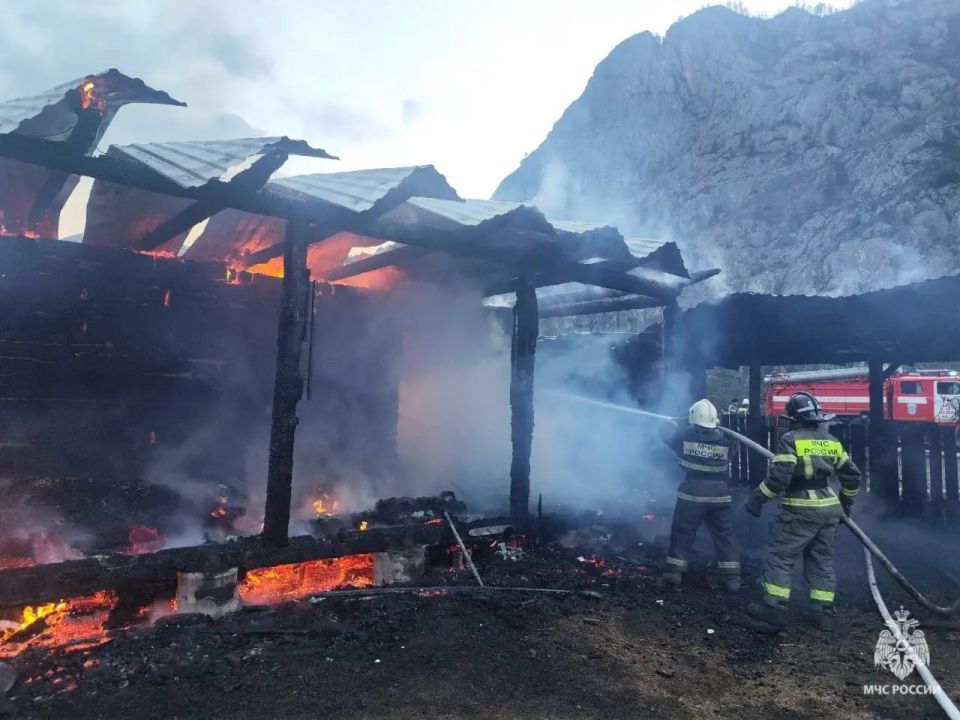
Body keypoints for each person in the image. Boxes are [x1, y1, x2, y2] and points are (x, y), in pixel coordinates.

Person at [745, 391, 861, 631]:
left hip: (800, 509)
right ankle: (824, 613)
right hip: (830, 508)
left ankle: (774, 608)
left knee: (781, 556)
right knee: (822, 561)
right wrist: (846, 503)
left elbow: (779, 478)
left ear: (794, 418)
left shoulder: (791, 439)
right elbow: (852, 476)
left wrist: (758, 498)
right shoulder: (832, 441)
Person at [659, 399, 741, 592]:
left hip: (693, 491)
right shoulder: (727, 439)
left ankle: (675, 573)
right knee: (725, 536)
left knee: (683, 531)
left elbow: (664, 432)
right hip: (721, 493)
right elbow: (733, 451)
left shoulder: (684, 435)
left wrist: (676, 421)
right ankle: (732, 579)